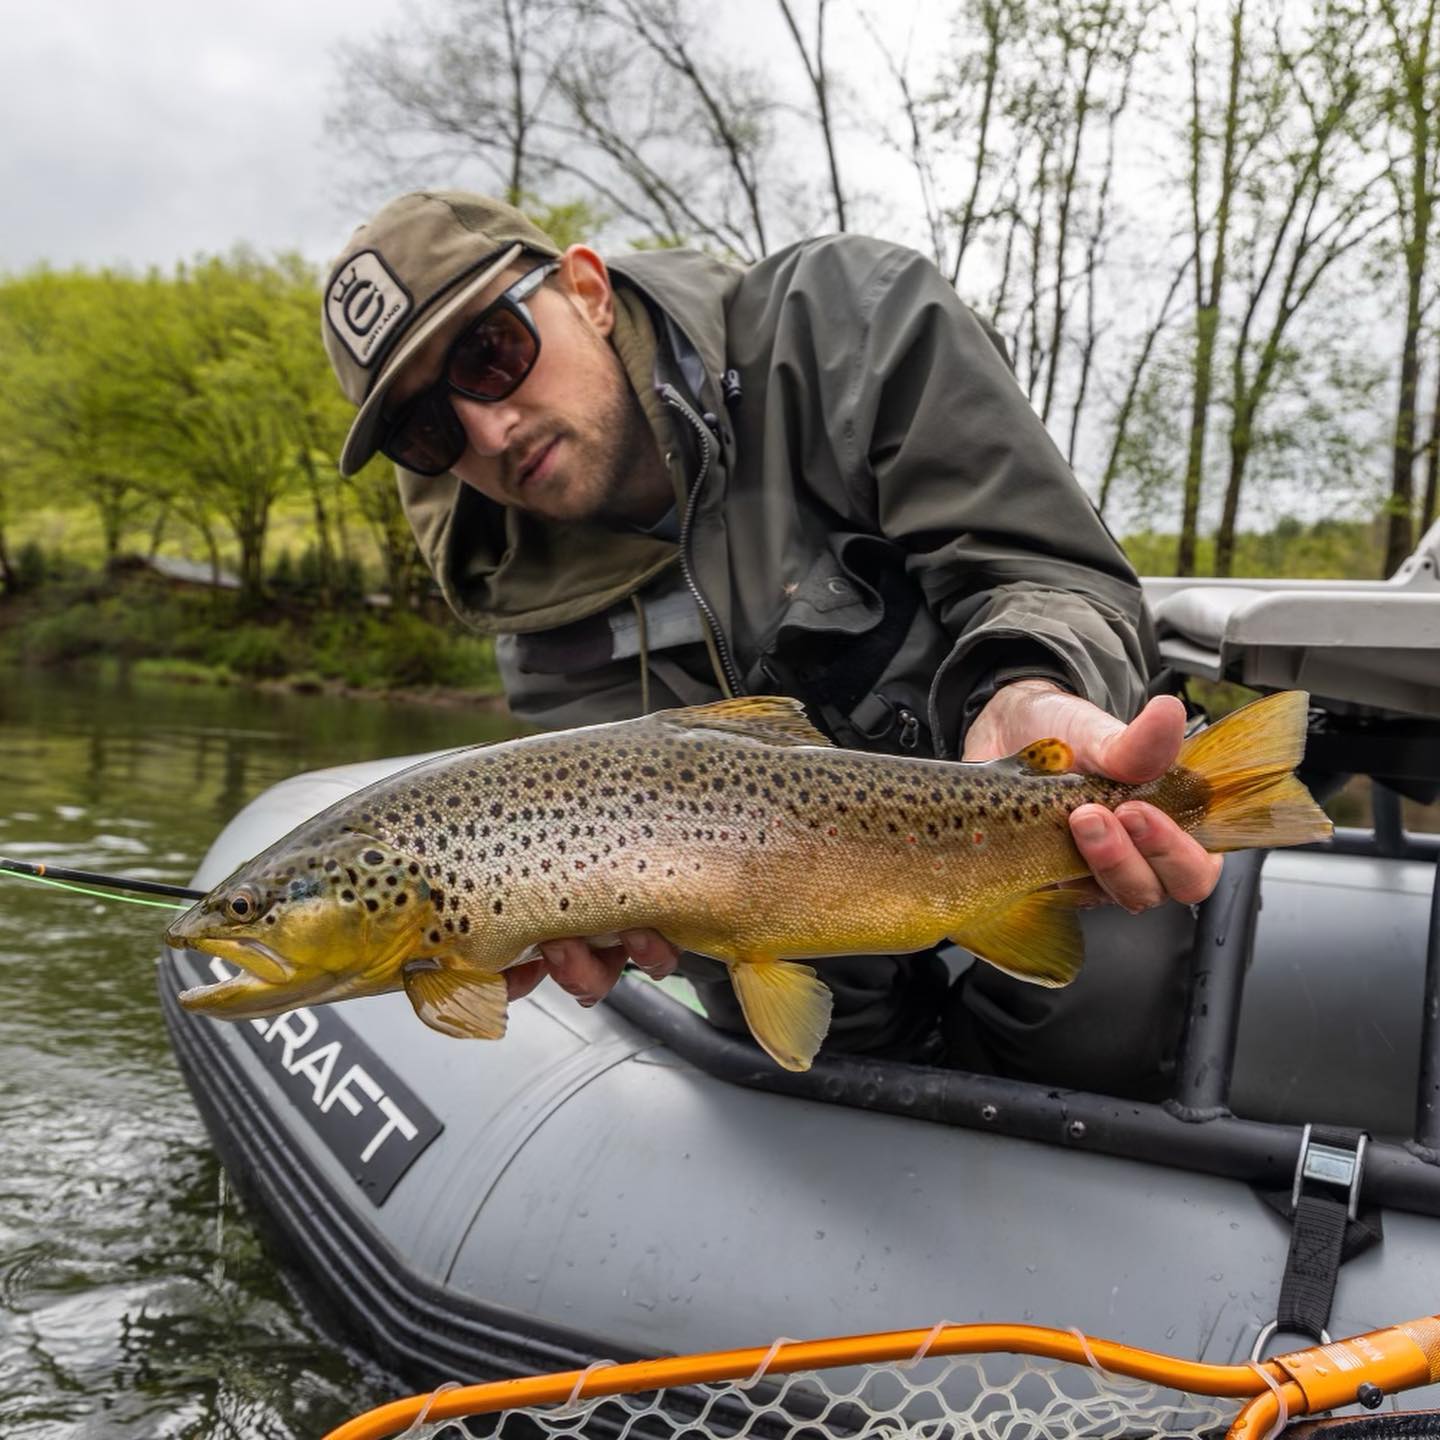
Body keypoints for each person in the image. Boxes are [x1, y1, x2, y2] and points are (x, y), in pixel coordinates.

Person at [320, 190, 1220, 1094]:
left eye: (491, 352)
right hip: (782, 917)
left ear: (587, 289)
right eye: (427, 429)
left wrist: (1032, 684)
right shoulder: (527, 616)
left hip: (1011, 805)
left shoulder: (852, 321)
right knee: (825, 1060)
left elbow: (1039, 569)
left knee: (1100, 1002)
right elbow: (643, 904)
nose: (489, 428)